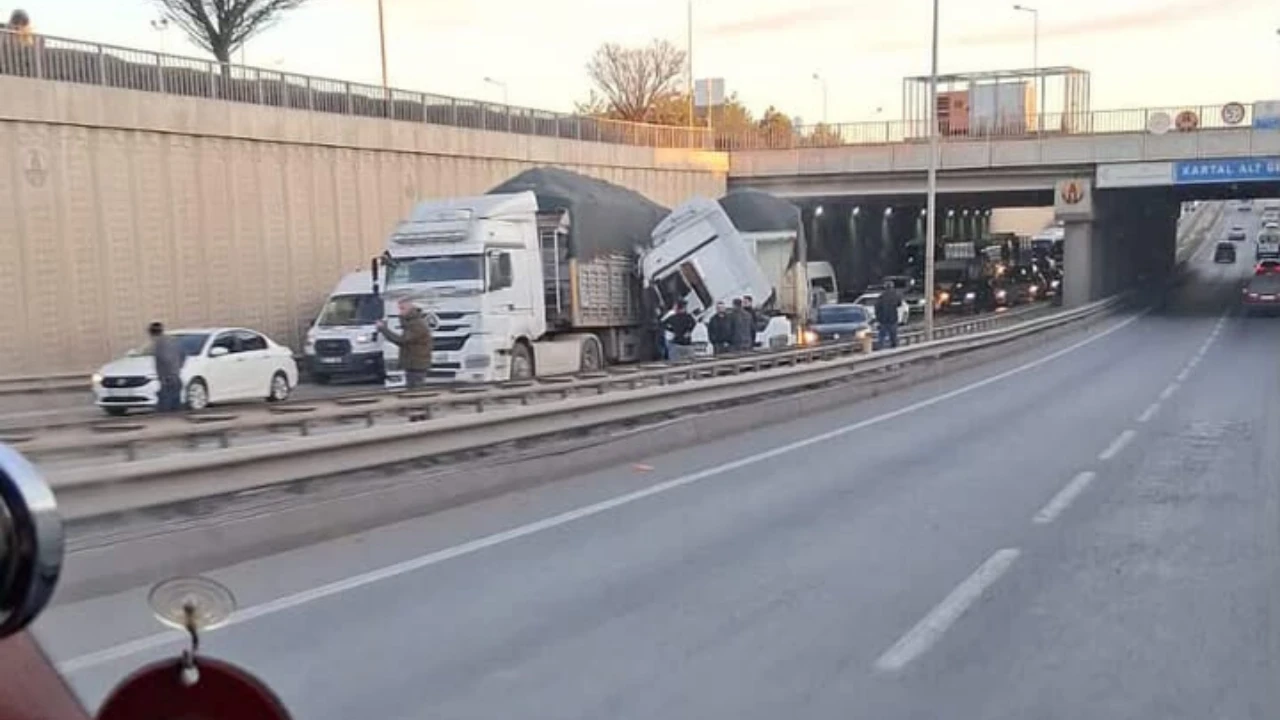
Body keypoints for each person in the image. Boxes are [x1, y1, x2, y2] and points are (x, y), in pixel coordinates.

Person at [377, 299, 433, 390]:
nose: (400, 312)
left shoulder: (417, 324)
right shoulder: (411, 323)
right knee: (411, 388)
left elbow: (402, 340)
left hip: (417, 364)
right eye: (399, 309)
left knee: (416, 390)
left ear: (411, 309)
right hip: (412, 364)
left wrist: (383, 329)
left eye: (402, 309)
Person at [149, 322, 186, 412]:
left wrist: (166, 376)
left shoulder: (160, 344)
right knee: (175, 403)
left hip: (168, 378)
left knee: (166, 407)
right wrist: (178, 366)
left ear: (151, 333)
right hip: (175, 376)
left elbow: (165, 359)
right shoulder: (173, 340)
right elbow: (183, 354)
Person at [873, 285, 903, 349]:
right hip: (892, 319)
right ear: (892, 288)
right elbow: (899, 303)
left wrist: (878, 317)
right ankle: (894, 347)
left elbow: (877, 307)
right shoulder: (895, 296)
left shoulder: (881, 296)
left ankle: (880, 347)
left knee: (881, 336)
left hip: (883, 320)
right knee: (893, 336)